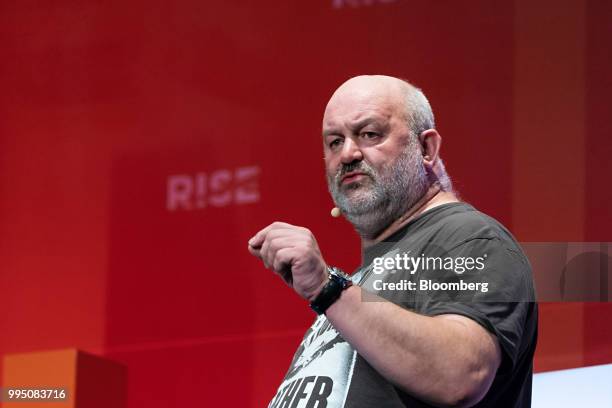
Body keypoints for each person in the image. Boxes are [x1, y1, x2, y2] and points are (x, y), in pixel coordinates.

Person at [248, 75, 538, 408]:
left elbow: (461, 374)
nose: (347, 154)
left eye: (369, 134)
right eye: (334, 142)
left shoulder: (470, 238)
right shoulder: (356, 286)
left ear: (426, 148)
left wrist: (326, 288)